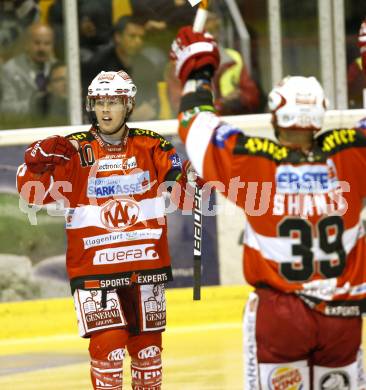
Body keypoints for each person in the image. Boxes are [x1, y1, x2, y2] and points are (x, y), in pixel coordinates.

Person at [170, 26, 366, 389]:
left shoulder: (255, 162)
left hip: (281, 314)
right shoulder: (353, 153)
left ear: (274, 118)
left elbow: (194, 124)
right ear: (320, 115)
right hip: (343, 313)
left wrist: (197, 70)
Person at [17, 70, 197, 390]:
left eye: (113, 101)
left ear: (128, 105)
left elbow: (183, 191)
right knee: (108, 351)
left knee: (149, 354)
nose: (105, 109)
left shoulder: (151, 143)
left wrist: (190, 172)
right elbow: (32, 194)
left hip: (145, 266)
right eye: (99, 102)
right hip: (95, 267)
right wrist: (35, 166)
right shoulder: (73, 149)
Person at [166, 11, 261, 116]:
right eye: (208, 31)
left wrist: (237, 100)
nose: (212, 36)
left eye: (216, 30)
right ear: (195, 33)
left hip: (231, 119)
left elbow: (252, 96)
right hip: (198, 125)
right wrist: (219, 106)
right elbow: (179, 105)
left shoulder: (233, 58)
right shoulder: (179, 65)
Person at [82, 15, 161, 121]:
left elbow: (154, 103)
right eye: (132, 36)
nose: (138, 41)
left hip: (143, 126)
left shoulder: (146, 65)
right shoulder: (98, 64)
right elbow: (90, 107)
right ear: (118, 37)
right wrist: (129, 117)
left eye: (141, 37)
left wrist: (149, 111)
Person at [0, 22, 55, 116]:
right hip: (23, 126)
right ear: (26, 44)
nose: (42, 48)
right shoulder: (10, 69)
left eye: (47, 43)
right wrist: (34, 105)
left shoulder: (58, 69)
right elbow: (4, 108)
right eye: (37, 43)